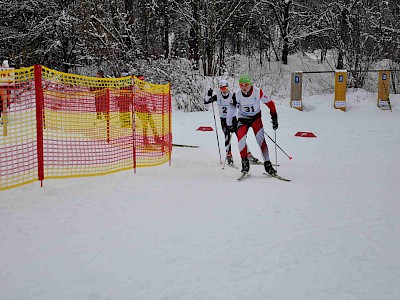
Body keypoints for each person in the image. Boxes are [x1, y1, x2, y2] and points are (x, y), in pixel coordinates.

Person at [226, 74, 278, 175]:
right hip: (243, 120)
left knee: (261, 141)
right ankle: (245, 164)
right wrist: (229, 124)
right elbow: (231, 110)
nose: (244, 87)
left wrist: (274, 117)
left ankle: (268, 165)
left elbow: (271, 104)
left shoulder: (258, 92)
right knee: (241, 140)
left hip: (255, 119)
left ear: (250, 84)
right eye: (241, 85)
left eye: (246, 85)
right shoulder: (237, 95)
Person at [204, 79, 260, 166]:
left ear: (228, 87)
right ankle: (229, 156)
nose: (224, 89)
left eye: (225, 87)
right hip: (223, 120)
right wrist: (208, 94)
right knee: (227, 137)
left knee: (241, 137)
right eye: (222, 88)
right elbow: (206, 101)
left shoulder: (232, 96)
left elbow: (241, 103)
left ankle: (248, 155)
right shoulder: (218, 96)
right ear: (220, 89)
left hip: (233, 119)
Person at [134, 74, 159, 145]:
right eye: (140, 80)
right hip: (138, 108)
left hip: (145, 107)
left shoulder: (146, 86)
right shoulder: (135, 88)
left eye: (143, 79)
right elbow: (132, 99)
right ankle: (145, 140)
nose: (142, 81)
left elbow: (152, 96)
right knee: (145, 124)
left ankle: (156, 138)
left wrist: (154, 105)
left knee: (152, 123)